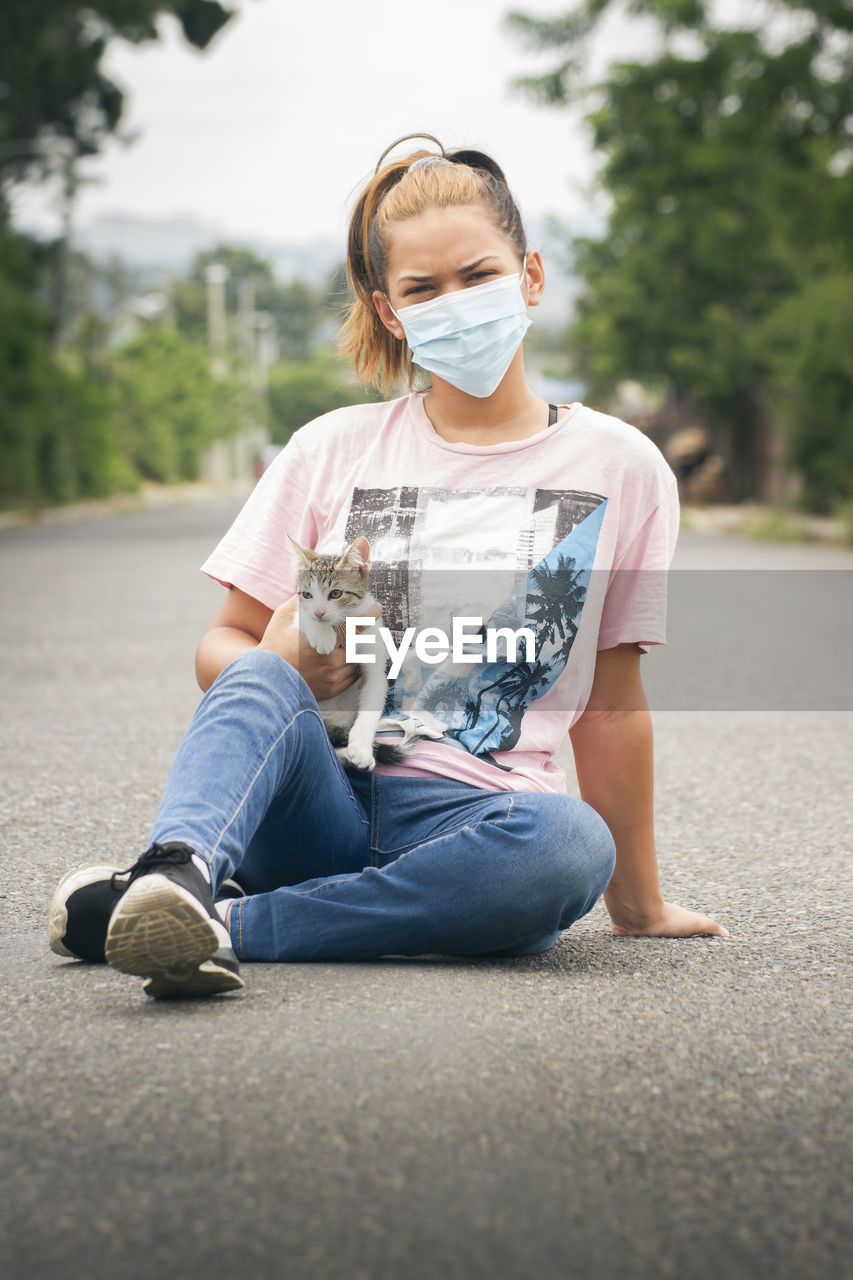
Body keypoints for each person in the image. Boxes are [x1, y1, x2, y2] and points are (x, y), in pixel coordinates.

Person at [47, 134, 727, 999]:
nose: (458, 302)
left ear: (531, 276)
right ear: (389, 309)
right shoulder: (330, 449)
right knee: (258, 674)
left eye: (479, 274)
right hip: (316, 797)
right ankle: (178, 876)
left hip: (479, 819)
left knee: (568, 846)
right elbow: (224, 652)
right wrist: (293, 661)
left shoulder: (621, 468)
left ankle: (196, 925)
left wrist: (636, 905)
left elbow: (610, 704)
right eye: (423, 289)